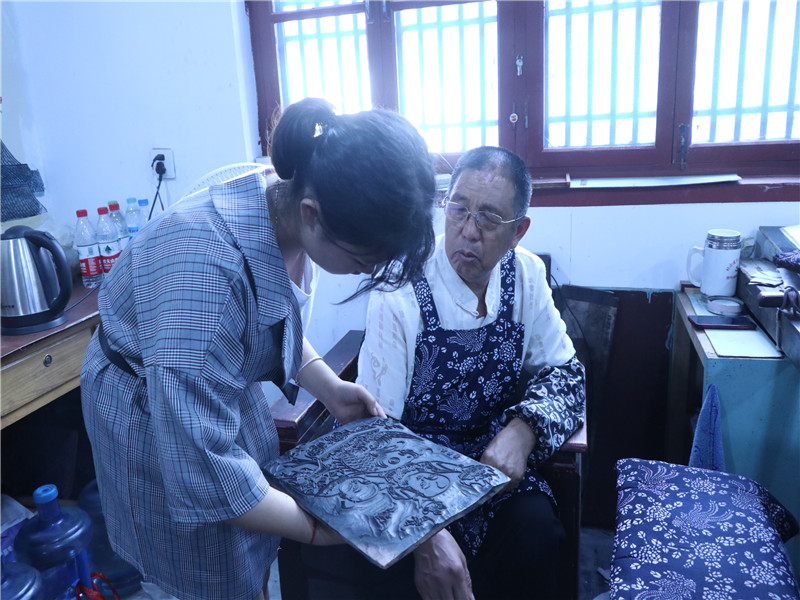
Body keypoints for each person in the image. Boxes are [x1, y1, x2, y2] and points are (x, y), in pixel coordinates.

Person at [80, 97, 436, 600]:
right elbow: (203, 465)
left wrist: (330, 387)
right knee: (201, 560)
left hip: (202, 374)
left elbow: (269, 317)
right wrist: (316, 529)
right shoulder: (202, 274)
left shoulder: (282, 198)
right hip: (149, 402)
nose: (367, 273)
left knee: (246, 543)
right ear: (312, 214)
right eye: (363, 261)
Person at [303, 146, 586, 600]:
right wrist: (425, 535)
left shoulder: (526, 276)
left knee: (537, 533)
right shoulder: (401, 286)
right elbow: (376, 435)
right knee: (394, 571)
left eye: (489, 218)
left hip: (490, 468)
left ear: (518, 231)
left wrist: (523, 432)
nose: (468, 232)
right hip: (405, 473)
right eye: (458, 210)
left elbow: (567, 376)